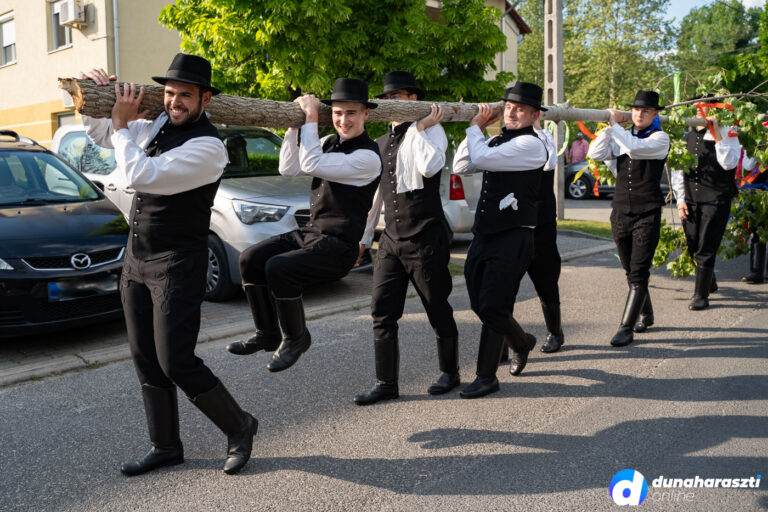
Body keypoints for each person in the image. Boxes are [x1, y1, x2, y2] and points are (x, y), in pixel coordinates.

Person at [80, 54, 257, 476]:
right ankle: (165, 446)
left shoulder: (209, 148)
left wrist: (123, 126)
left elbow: (142, 174)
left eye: (185, 95)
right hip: (137, 259)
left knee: (176, 360)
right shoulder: (158, 124)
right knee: (145, 357)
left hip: (177, 263)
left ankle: (240, 425)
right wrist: (96, 101)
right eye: (171, 93)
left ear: (205, 99)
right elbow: (106, 137)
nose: (174, 102)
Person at [227, 78, 381, 373]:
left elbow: (310, 164)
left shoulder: (368, 157)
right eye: (337, 113)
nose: (343, 120)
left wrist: (311, 117)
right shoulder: (327, 143)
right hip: (311, 233)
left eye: (351, 113)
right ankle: (267, 333)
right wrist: (294, 126)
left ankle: (297, 338)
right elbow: (289, 167)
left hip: (338, 245)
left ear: (366, 114)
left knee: (278, 268)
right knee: (250, 259)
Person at [353, 71, 459, 406]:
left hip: (426, 237)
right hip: (391, 240)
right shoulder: (380, 144)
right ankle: (386, 383)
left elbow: (429, 168)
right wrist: (364, 237)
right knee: (381, 312)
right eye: (387, 98)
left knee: (436, 307)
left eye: (398, 96)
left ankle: (450, 372)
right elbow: (377, 198)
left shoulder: (432, 131)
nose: (392, 103)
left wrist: (422, 128)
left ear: (415, 100)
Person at [453, 81, 549, 399]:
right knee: (480, 304)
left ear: (535, 115)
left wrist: (474, 127)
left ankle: (486, 376)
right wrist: (476, 132)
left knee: (494, 304)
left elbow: (482, 158)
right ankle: (521, 342)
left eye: (520, 109)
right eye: (508, 107)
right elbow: (463, 165)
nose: (512, 112)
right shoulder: (496, 140)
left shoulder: (532, 145)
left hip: (514, 237)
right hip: (485, 233)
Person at [587, 90, 670, 347]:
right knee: (629, 269)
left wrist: (615, 126)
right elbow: (596, 153)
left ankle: (625, 328)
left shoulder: (660, 138)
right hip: (620, 212)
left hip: (647, 212)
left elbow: (635, 149)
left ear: (655, 114)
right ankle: (646, 312)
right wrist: (608, 128)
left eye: (645, 111)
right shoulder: (624, 135)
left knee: (638, 271)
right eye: (635, 110)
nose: (639, 114)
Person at [670, 95, 748, 310]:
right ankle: (709, 280)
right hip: (692, 200)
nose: (699, 112)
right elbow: (678, 171)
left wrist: (718, 134)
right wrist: (680, 200)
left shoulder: (727, 133)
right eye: (696, 108)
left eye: (704, 107)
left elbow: (729, 163)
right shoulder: (685, 137)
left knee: (706, 246)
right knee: (693, 243)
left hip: (716, 198)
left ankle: (700, 295)